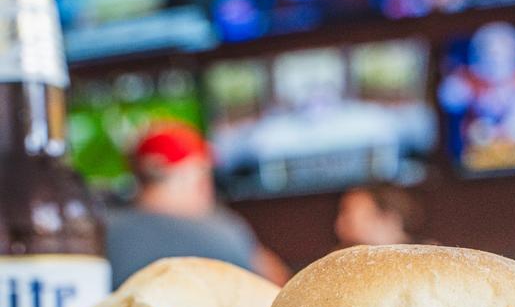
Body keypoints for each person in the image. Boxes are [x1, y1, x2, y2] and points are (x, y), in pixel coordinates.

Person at [106, 122, 292, 288]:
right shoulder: (220, 231)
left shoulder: (104, 228)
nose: (209, 187)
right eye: (202, 173)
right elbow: (279, 284)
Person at [334, 184, 428, 247]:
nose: (339, 226)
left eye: (347, 214)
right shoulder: (340, 263)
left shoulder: (427, 260)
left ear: (386, 218)